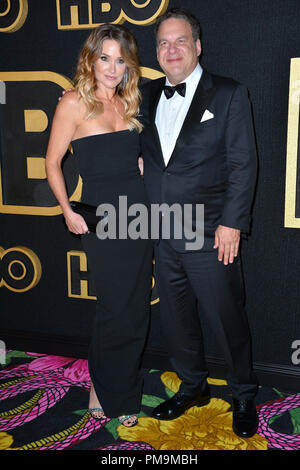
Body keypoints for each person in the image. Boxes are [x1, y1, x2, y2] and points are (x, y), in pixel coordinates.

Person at [139, 8, 259, 438]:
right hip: (160, 229)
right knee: (176, 319)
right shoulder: (147, 93)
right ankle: (193, 387)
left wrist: (232, 224)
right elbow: (107, 112)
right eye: (163, 43)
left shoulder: (227, 93)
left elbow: (244, 165)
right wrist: (72, 100)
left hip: (210, 232)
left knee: (227, 318)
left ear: (198, 46)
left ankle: (244, 392)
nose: (171, 50)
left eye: (180, 41)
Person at [45, 24, 152, 427]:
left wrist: (140, 164)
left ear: (128, 65)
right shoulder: (73, 102)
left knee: (136, 307)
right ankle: (105, 390)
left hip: (139, 216)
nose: (111, 67)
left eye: (120, 59)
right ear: (91, 59)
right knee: (113, 307)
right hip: (103, 218)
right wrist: (66, 211)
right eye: (104, 57)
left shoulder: (131, 101)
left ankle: (115, 386)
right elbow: (51, 163)